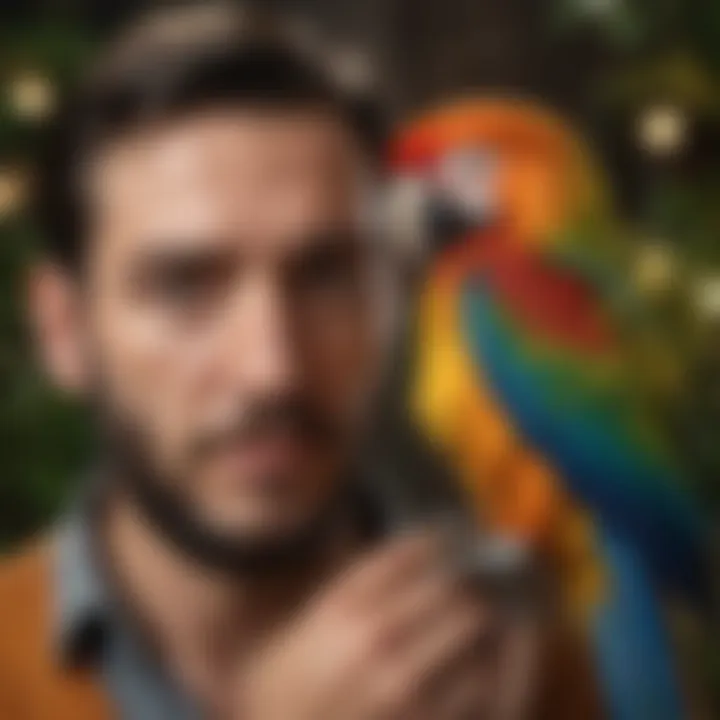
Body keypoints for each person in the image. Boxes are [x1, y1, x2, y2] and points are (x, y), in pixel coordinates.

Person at [0, 4, 603, 718]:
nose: (273, 367)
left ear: (394, 302)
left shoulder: (533, 659)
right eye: (185, 288)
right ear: (66, 330)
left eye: (326, 277)